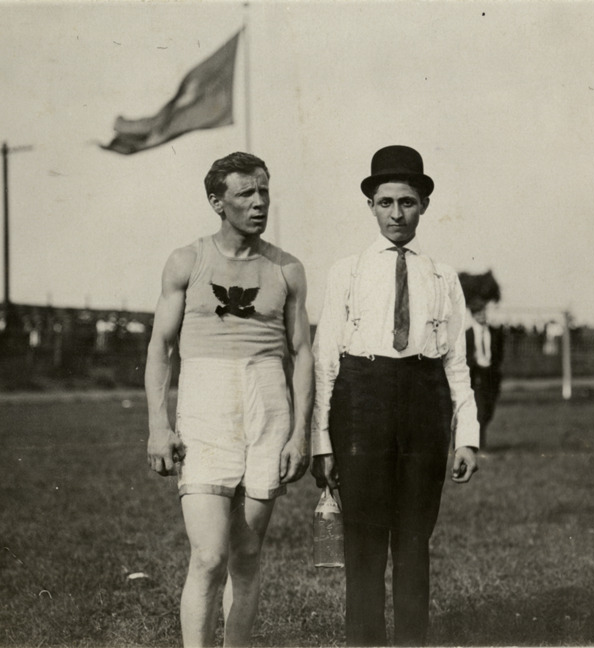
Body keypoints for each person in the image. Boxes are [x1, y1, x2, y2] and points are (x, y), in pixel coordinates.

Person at [311, 145, 480, 647]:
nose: (397, 214)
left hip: (425, 403)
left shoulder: (442, 276)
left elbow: (456, 361)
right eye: (385, 202)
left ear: (424, 204)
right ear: (370, 206)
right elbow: (325, 360)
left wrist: (467, 436)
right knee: (363, 540)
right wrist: (322, 441)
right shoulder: (348, 271)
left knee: (414, 537)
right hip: (362, 401)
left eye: (407, 202)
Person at [144, 152, 313, 647]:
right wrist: (158, 425)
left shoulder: (287, 268)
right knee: (209, 555)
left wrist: (299, 434)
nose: (259, 202)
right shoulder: (187, 261)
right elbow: (160, 348)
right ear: (217, 202)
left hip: (267, 406)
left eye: (264, 191)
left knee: (246, 555)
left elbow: (302, 353)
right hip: (206, 406)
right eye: (246, 193)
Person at [466, 296, 504, 450]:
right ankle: (479, 445)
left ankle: (475, 440)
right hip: (476, 376)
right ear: (473, 315)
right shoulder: (468, 334)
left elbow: (499, 353)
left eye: (483, 312)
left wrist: (494, 368)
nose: (482, 316)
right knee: (480, 411)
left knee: (488, 411)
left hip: (491, 375)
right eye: (478, 313)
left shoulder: (495, 332)